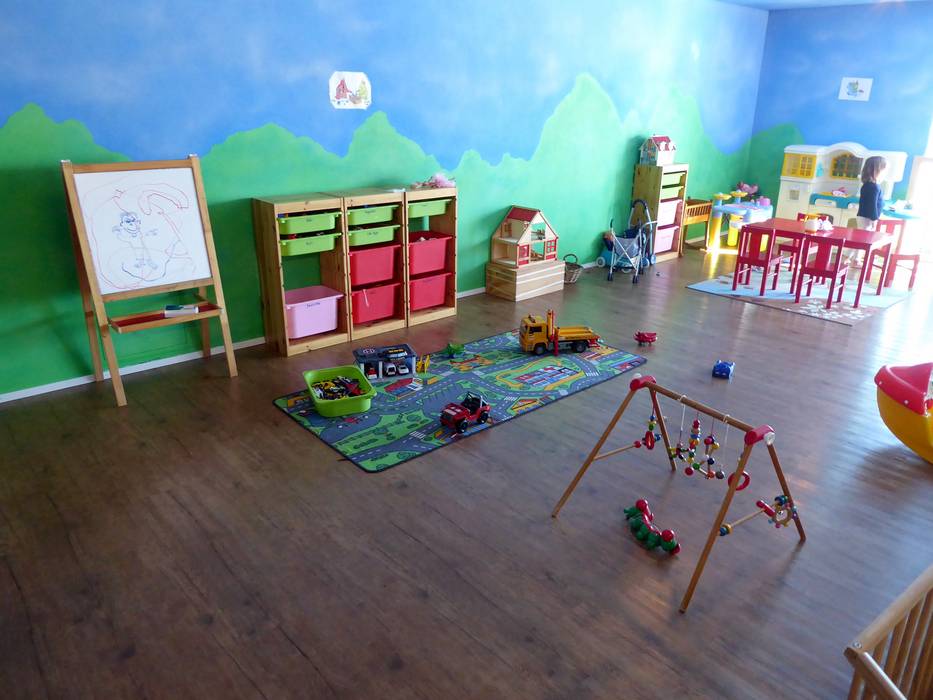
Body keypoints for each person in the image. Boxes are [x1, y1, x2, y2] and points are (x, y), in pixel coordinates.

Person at [857, 156, 887, 231]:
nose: (885, 173)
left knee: (865, 235)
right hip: (867, 219)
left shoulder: (869, 185)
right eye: (884, 170)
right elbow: (872, 205)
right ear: (877, 171)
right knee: (866, 236)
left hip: (866, 217)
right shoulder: (873, 187)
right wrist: (874, 219)